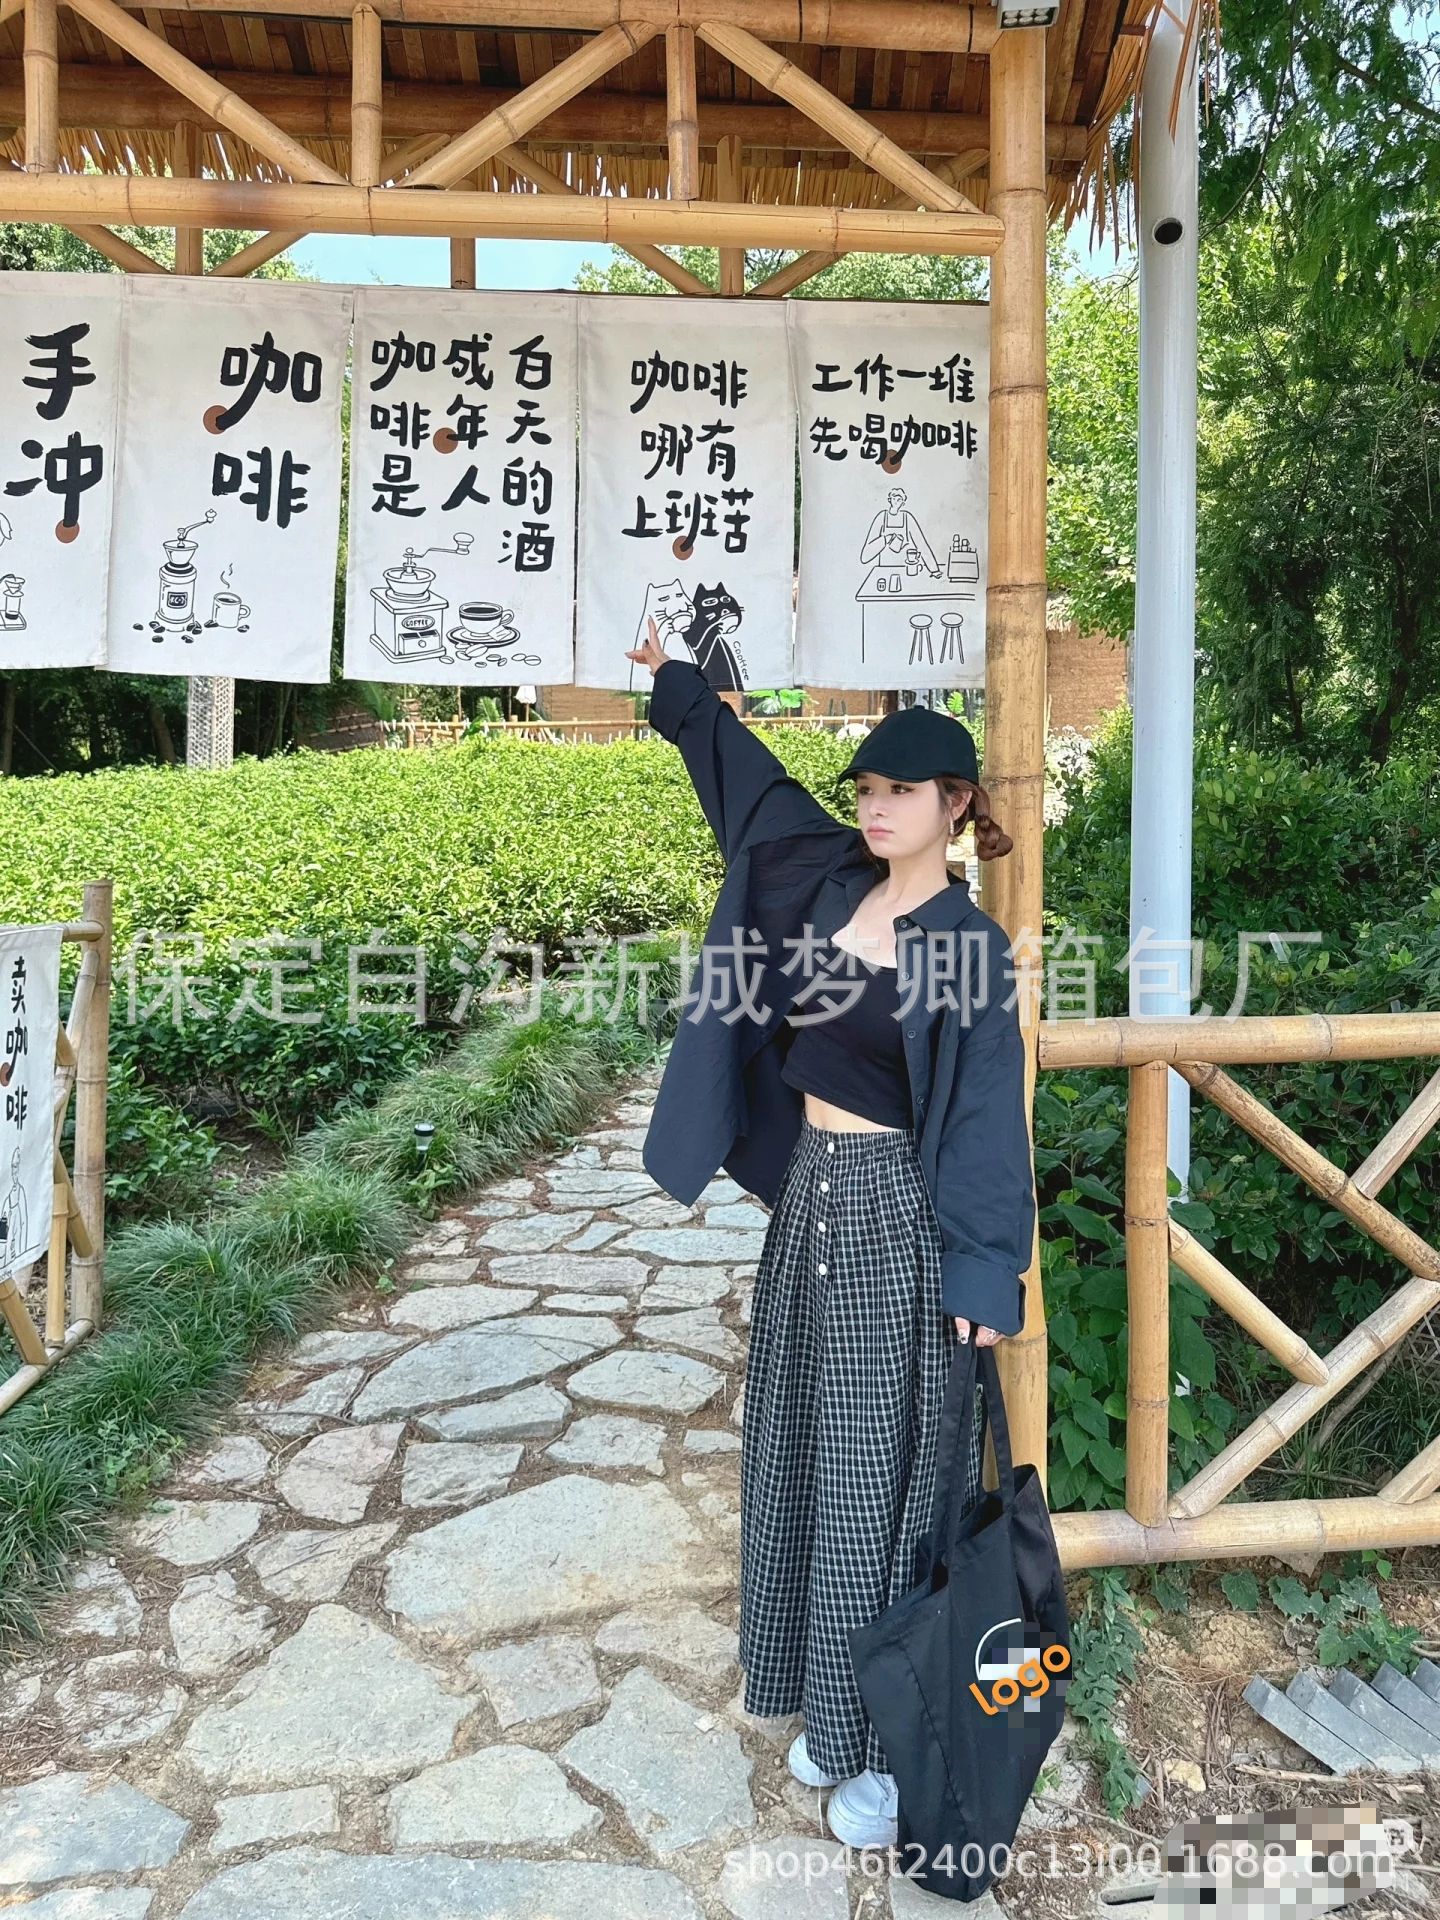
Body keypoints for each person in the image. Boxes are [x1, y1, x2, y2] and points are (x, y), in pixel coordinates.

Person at [627, 620, 1036, 1851]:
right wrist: (679, 687)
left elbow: (983, 1118)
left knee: (878, 1482)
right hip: (810, 1195)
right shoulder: (829, 881)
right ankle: (819, 1695)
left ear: (955, 805)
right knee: (797, 1450)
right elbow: (748, 787)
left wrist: (982, 1270)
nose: (876, 806)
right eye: (867, 788)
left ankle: (888, 1753)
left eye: (902, 791)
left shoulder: (967, 950)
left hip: (896, 1221)